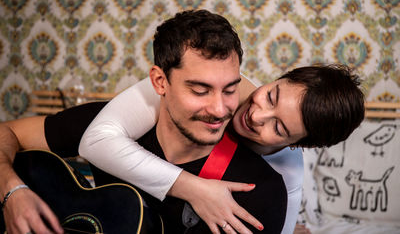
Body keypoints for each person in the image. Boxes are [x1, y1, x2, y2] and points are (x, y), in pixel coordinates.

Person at [0, 10, 289, 234]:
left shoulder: (259, 193)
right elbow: (7, 131)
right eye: (200, 90)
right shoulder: (106, 122)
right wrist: (12, 192)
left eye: (230, 90)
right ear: (159, 81)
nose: (219, 109)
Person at [79, 63, 365, 234]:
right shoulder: (220, 86)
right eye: (270, 95)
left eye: (278, 129)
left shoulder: (283, 178)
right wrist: (193, 188)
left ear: (297, 145)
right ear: (279, 78)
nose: (256, 116)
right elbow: (96, 141)